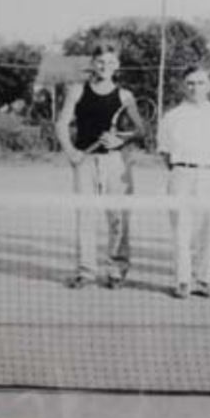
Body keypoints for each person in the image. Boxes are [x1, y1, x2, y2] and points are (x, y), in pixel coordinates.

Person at [54, 42, 140, 288]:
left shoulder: (125, 96)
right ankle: (86, 271)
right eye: (100, 61)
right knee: (86, 217)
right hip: (85, 162)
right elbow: (61, 125)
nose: (105, 66)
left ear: (117, 66)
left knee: (118, 218)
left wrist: (119, 138)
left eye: (111, 62)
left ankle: (116, 271)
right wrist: (71, 152)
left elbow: (140, 130)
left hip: (116, 163)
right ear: (93, 63)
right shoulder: (77, 90)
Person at [157, 64, 210, 299]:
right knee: (182, 230)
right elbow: (165, 152)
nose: (195, 88)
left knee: (209, 229)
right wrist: (183, 169)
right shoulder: (172, 116)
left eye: (200, 83)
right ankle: (183, 280)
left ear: (209, 86)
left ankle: (203, 279)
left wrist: (206, 168)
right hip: (181, 175)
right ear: (183, 85)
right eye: (190, 83)